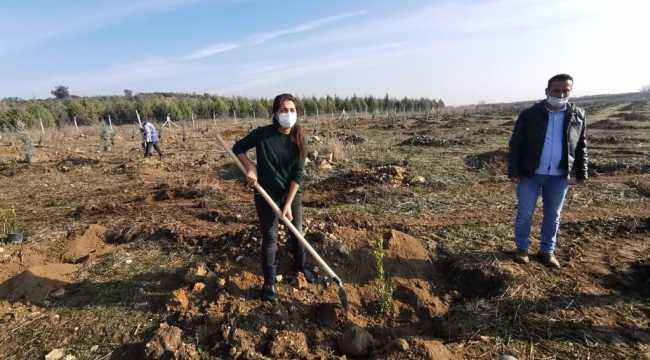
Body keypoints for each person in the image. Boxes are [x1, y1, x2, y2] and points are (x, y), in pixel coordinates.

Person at [232, 93, 314, 301]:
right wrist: (252, 168)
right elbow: (237, 149)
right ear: (275, 114)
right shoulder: (262, 135)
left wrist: (287, 204)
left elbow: (298, 175)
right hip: (265, 193)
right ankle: (269, 283)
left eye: (292, 110)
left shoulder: (300, 139)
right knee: (270, 238)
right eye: (284, 110)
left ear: (297, 113)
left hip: (290, 194)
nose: (288, 114)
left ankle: (301, 269)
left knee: (297, 232)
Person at [507, 74, 588, 268]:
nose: (561, 94)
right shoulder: (529, 115)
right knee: (525, 213)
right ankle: (522, 248)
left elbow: (581, 145)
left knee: (553, 215)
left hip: (559, 176)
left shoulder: (578, 115)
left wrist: (582, 171)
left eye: (565, 90)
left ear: (570, 91)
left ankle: (547, 250)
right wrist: (514, 170)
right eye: (556, 90)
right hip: (531, 174)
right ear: (547, 91)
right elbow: (516, 144)